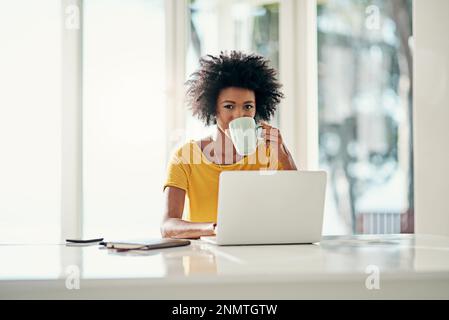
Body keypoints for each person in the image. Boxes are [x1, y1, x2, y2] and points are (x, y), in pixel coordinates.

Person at [160, 51, 297, 239]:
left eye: (248, 106)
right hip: (204, 261)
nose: (239, 115)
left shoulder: (270, 152)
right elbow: (168, 226)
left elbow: (297, 205)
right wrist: (214, 229)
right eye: (229, 106)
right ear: (213, 107)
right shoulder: (185, 156)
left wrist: (283, 154)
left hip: (259, 256)